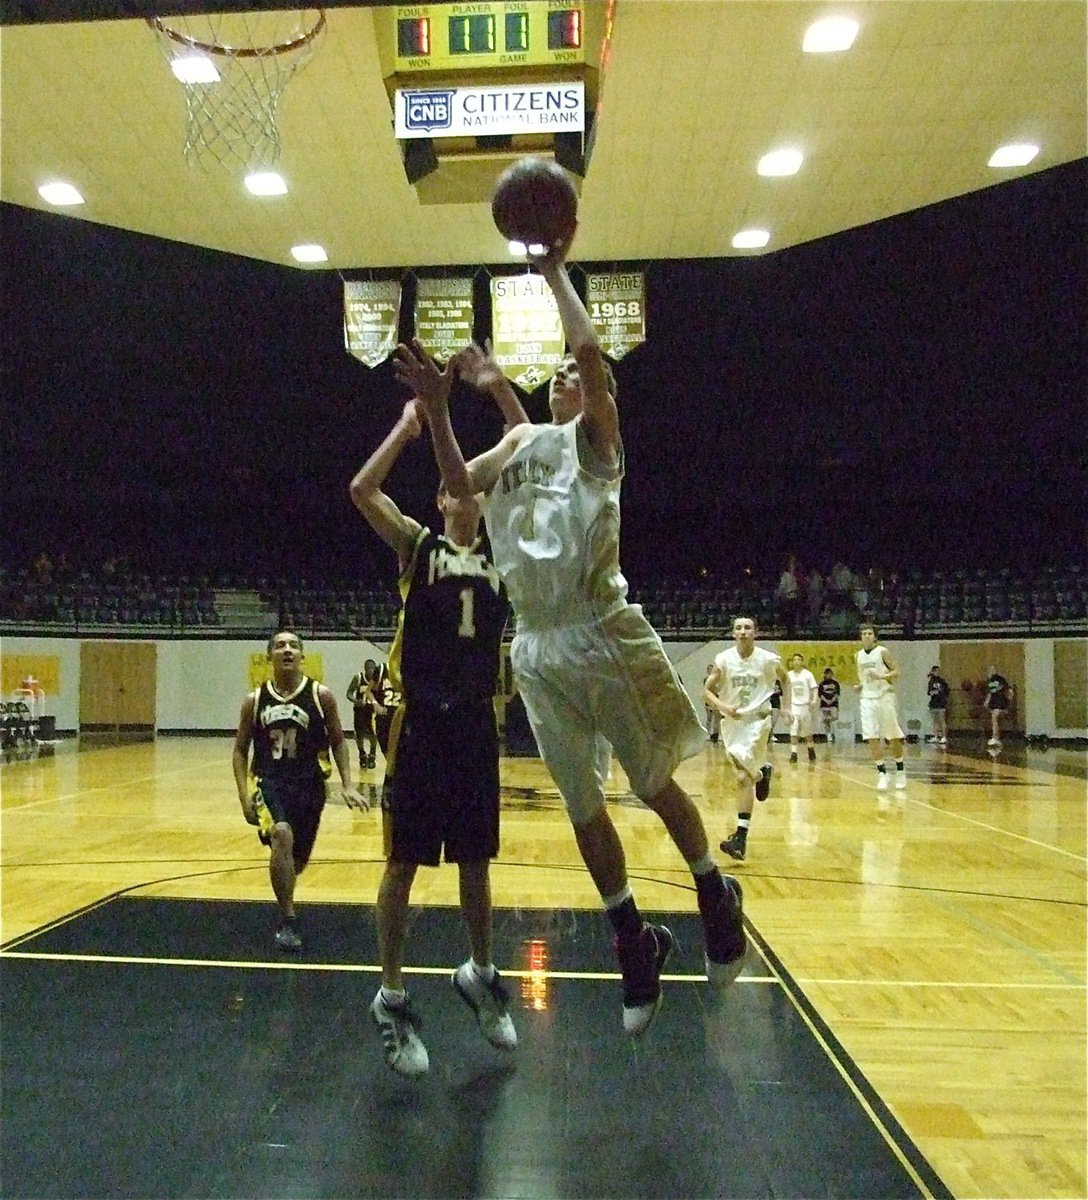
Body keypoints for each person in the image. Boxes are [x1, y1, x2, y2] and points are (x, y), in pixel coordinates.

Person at [418, 236, 746, 1039]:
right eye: (556, 371)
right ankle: (634, 938)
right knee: (580, 805)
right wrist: (436, 410)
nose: (564, 372)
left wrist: (554, 272)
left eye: (574, 373)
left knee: (651, 783)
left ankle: (712, 890)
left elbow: (593, 359)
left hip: (602, 627)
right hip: (535, 644)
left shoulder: (595, 445)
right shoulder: (521, 442)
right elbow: (457, 488)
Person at [348, 346, 527, 1078]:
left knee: (477, 862)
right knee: (404, 862)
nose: (470, 491)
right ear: (444, 501)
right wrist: (406, 427)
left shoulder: (504, 558)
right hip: (421, 720)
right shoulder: (417, 546)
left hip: (474, 725)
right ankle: (391, 996)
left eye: (479, 488)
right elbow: (362, 489)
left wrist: (496, 392)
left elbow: (526, 452)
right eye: (459, 488)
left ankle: (479, 975)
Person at [232, 630, 365, 951]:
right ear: (270, 657)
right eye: (280, 646)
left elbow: (337, 741)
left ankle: (286, 889)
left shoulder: (322, 697)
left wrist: (348, 784)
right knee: (281, 834)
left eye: (294, 646)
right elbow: (240, 751)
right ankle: (288, 920)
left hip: (309, 787)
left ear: (302, 656)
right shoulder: (255, 701)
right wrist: (243, 794)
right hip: (270, 782)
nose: (287, 650)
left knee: (297, 861)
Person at [705, 617, 787, 861]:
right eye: (738, 628)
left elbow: (786, 679)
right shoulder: (723, 660)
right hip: (732, 723)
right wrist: (722, 706)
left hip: (758, 721)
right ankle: (763, 773)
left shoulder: (767, 659)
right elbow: (707, 691)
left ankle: (740, 838)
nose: (743, 631)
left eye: (747, 627)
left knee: (742, 778)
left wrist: (787, 707)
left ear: (755, 632)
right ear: (733, 634)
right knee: (747, 776)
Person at [854, 624, 906, 790]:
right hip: (867, 698)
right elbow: (863, 678)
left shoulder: (882, 652)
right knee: (871, 736)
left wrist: (881, 676)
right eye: (864, 633)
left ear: (875, 637)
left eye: (870, 633)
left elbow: (897, 672)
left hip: (885, 696)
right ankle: (882, 772)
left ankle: (900, 769)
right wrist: (859, 686)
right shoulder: (858, 656)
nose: (867, 636)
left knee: (892, 735)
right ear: (861, 637)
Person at [346, 658, 379, 771]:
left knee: (373, 733)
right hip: (360, 709)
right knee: (359, 734)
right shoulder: (358, 678)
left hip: (372, 710)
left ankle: (372, 755)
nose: (371, 671)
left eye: (373, 669)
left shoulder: (377, 680)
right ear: (365, 669)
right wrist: (356, 701)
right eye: (369, 669)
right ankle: (362, 754)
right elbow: (349, 693)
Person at [786, 652, 819, 764]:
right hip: (793, 705)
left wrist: (814, 700)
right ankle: (794, 753)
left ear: (802, 662)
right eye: (794, 660)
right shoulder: (789, 675)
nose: (796, 662)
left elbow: (814, 688)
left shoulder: (808, 674)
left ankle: (810, 749)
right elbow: (785, 690)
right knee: (793, 730)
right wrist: (785, 706)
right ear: (792, 662)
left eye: (799, 660)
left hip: (805, 706)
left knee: (807, 732)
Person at [984, 665, 1011, 747]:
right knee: (995, 719)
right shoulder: (992, 681)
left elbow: (1008, 690)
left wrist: (1010, 700)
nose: (991, 671)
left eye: (992, 670)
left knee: (994, 718)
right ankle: (996, 737)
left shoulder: (998, 680)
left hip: (999, 702)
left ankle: (995, 737)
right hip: (996, 703)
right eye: (990, 670)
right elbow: (990, 693)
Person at [927, 665, 950, 746]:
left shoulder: (942, 681)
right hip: (933, 703)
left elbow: (946, 691)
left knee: (942, 720)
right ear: (933, 672)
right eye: (936, 671)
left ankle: (944, 736)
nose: (937, 673)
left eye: (938, 671)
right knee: (935, 721)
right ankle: (935, 736)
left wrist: (942, 696)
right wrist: (935, 692)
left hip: (941, 703)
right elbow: (929, 692)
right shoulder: (931, 681)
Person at [818, 667, 841, 744]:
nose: (829, 675)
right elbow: (820, 695)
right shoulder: (821, 684)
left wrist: (832, 700)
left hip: (833, 704)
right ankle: (829, 735)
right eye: (827, 674)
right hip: (824, 704)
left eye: (830, 674)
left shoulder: (836, 683)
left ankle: (826, 721)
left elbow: (837, 694)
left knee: (835, 716)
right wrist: (826, 700)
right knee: (826, 722)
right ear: (825, 674)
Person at [703, 662, 721, 743]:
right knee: (709, 717)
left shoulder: (717, 679)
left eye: (711, 669)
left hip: (715, 700)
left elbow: (718, 689)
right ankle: (708, 733)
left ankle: (716, 734)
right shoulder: (706, 680)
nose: (710, 670)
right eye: (709, 669)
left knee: (717, 718)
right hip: (709, 701)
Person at [768, 676, 784, 746]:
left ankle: (770, 735)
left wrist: (774, 692)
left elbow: (781, 692)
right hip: (767, 703)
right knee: (767, 721)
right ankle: (769, 736)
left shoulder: (777, 682)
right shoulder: (765, 680)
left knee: (773, 721)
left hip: (776, 703)